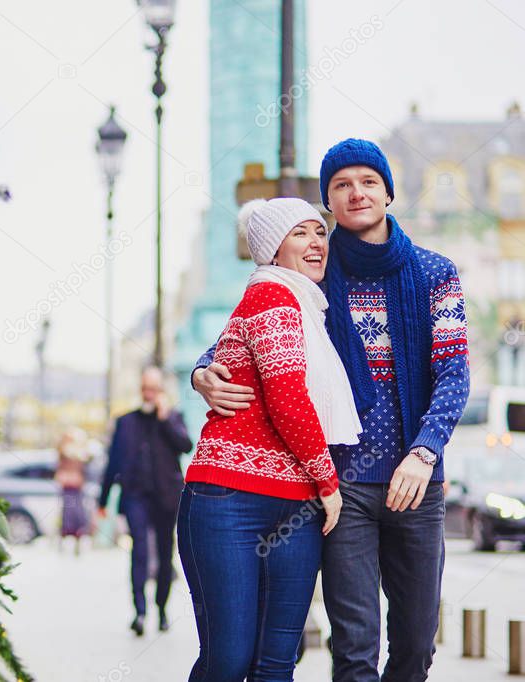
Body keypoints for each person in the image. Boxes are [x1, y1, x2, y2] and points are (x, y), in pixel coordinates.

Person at [193, 139, 470, 682]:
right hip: (341, 485)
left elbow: (454, 374)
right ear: (328, 202)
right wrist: (205, 370)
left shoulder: (436, 273)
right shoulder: (313, 268)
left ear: (388, 192)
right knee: (354, 647)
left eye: (368, 181)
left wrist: (425, 451)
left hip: (416, 482)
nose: (356, 193)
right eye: (341, 185)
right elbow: (251, 321)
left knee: (415, 644)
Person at [179, 198, 358, 681]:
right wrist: (328, 481)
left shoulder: (308, 304)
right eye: (299, 234)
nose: (316, 241)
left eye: (319, 232)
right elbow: (286, 396)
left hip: (294, 506)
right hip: (229, 500)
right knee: (228, 660)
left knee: (277, 665)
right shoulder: (272, 296)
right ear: (271, 251)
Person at [97, 366, 193, 636]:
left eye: (154, 389)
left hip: (166, 497)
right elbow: (113, 461)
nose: (149, 394)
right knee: (139, 551)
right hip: (135, 497)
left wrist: (165, 419)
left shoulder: (173, 417)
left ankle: (161, 609)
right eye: (145, 388)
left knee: (165, 554)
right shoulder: (125, 422)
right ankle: (139, 612)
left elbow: (186, 445)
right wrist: (103, 501)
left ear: (161, 391)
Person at [55, 426, 91, 554]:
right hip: (68, 488)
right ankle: (64, 540)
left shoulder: (81, 454)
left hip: (77, 488)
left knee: (78, 515)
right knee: (67, 515)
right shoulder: (64, 453)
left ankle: (78, 539)